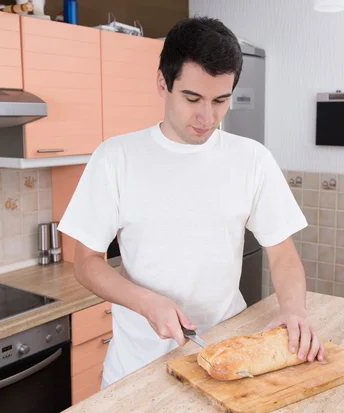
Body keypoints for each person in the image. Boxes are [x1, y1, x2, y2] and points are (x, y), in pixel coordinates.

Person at [57, 16, 325, 389]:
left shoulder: (252, 159)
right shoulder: (116, 157)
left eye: (221, 100)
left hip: (226, 356)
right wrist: (146, 302)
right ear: (162, 83)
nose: (207, 117)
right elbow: (86, 263)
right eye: (192, 98)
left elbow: (282, 254)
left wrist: (293, 310)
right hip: (137, 368)